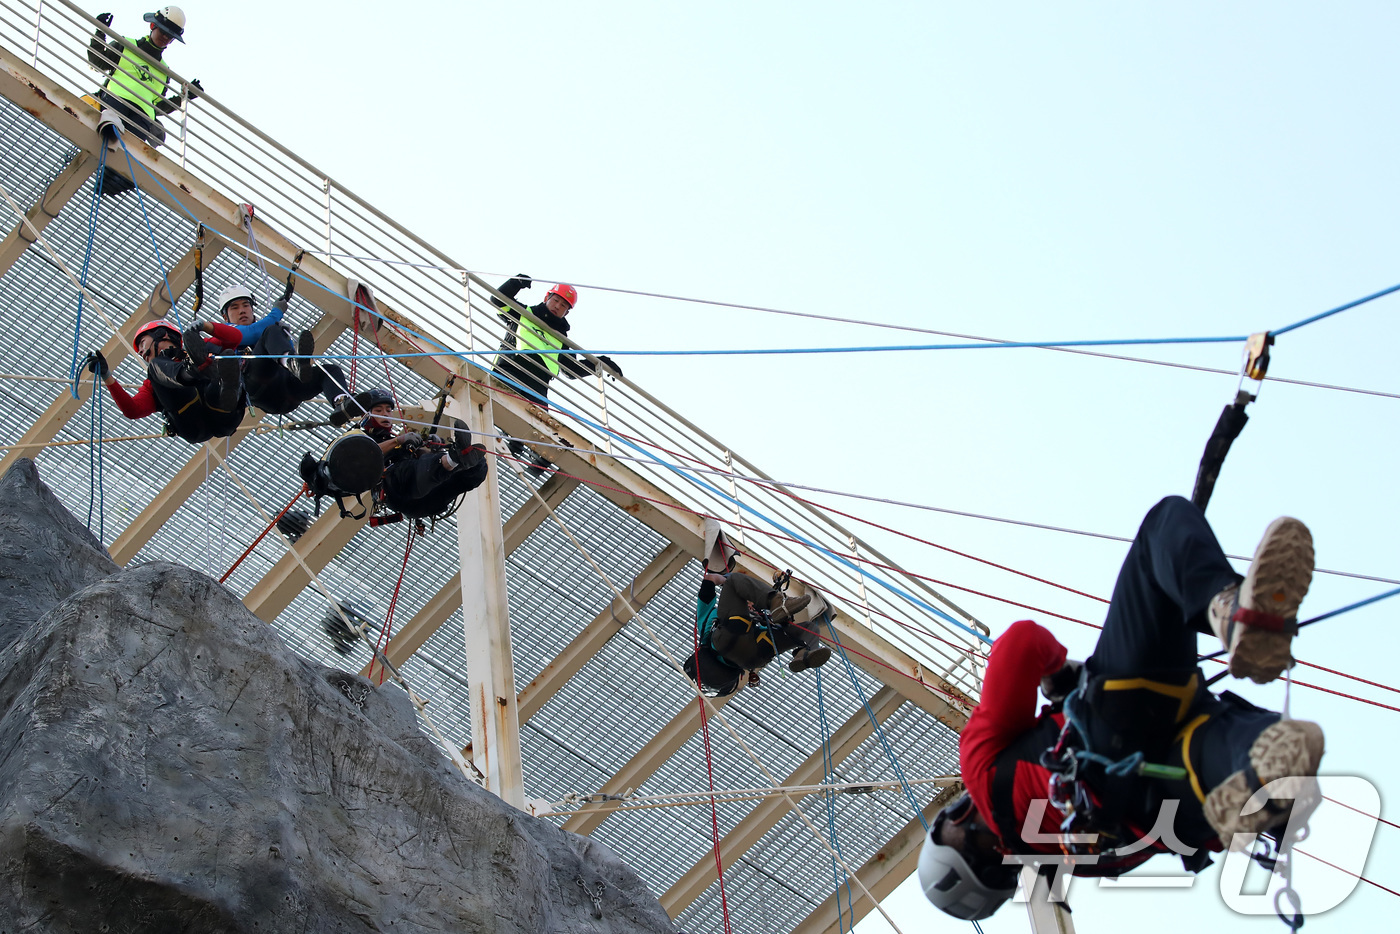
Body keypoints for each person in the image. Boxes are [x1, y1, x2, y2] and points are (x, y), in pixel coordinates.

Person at [918, 495, 1322, 921]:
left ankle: (1260, 782)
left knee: (1267, 750)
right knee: (1162, 526)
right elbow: (1020, 644)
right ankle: (1235, 613)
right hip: (1121, 721)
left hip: (1171, 793)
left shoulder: (1084, 860)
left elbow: (1162, 838)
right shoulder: (981, 775)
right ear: (955, 820)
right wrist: (1056, 672)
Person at [490, 274, 623, 477]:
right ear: (547, 298)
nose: (557, 306)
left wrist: (600, 362)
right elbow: (498, 299)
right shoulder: (525, 313)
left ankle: (535, 463)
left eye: (563, 305)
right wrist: (515, 283)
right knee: (518, 414)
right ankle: (514, 443)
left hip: (538, 385)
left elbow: (572, 370)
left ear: (567, 312)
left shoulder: (561, 339)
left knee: (545, 426)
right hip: (510, 370)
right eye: (556, 300)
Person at [682, 522, 832, 696]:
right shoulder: (711, 624)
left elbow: (709, 583)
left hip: (754, 657)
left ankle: (805, 653)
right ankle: (777, 602)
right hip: (737, 640)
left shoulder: (709, 624)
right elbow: (710, 580)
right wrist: (727, 579)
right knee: (735, 581)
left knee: (809, 629)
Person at [299, 388, 489, 521]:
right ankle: (452, 460)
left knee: (477, 467)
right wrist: (398, 441)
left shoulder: (396, 441)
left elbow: (421, 459)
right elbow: (366, 456)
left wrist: (433, 447)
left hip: (427, 497)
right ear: (366, 414)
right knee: (406, 471)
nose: (386, 414)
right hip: (397, 491)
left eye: (389, 410)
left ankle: (456, 459)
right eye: (379, 410)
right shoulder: (356, 438)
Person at [192, 284, 349, 416]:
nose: (242, 311)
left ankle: (341, 402)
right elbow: (245, 335)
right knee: (270, 331)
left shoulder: (267, 332)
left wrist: (283, 336)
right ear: (225, 317)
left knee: (330, 371)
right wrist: (277, 312)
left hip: (288, 387)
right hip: (258, 385)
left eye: (246, 305)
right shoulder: (223, 336)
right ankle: (293, 363)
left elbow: (257, 332)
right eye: (234, 307)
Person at [87, 318, 245, 443]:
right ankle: (192, 371)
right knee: (156, 367)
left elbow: (236, 337)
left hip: (223, 414)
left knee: (218, 373)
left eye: (142, 343)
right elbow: (132, 410)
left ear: (163, 334)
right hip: (194, 423)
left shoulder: (201, 347)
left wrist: (204, 325)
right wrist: (106, 376)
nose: (141, 352)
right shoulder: (153, 381)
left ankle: (225, 389)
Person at [87, 7, 201, 148]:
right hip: (114, 102)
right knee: (106, 138)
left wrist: (184, 97)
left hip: (142, 117)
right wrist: (100, 31)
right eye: (163, 31)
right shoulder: (126, 46)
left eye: (170, 36)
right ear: (153, 26)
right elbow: (97, 62)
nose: (165, 38)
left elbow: (159, 107)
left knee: (126, 154)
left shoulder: (165, 73)